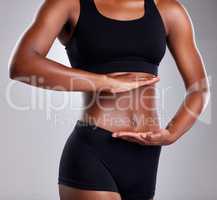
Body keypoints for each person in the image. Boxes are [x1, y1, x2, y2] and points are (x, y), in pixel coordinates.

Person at [9, 0, 209, 200]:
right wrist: (105, 82)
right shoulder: (69, 4)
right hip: (94, 150)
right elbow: (23, 63)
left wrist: (172, 132)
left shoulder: (168, 9)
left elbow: (199, 88)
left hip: (147, 157)